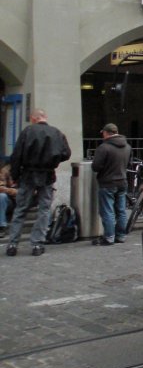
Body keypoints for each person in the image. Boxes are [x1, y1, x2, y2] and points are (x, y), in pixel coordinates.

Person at [5, 108, 72, 257]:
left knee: (21, 209)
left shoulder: (27, 132)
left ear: (33, 118)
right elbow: (66, 153)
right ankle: (37, 243)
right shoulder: (57, 133)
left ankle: (13, 244)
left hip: (28, 174)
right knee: (44, 210)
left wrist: (15, 176)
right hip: (47, 174)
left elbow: (16, 156)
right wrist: (53, 161)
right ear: (45, 117)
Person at [91, 123, 132, 246]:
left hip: (107, 182)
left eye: (103, 133)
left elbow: (96, 167)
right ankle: (121, 236)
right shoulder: (127, 147)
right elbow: (129, 164)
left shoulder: (103, 148)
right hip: (122, 181)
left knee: (107, 211)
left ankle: (109, 237)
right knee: (121, 210)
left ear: (106, 133)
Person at [0, 160, 15, 238]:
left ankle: (1, 226)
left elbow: (11, 185)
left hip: (5, 201)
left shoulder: (4, 171)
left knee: (2, 196)